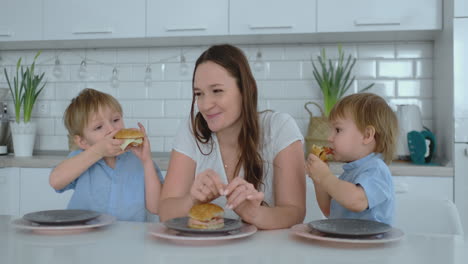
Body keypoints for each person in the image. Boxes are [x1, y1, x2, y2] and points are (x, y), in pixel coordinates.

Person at [158, 44, 306, 229]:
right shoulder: (191, 130)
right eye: (199, 93)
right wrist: (192, 199)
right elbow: (165, 212)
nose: (204, 105)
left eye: (217, 91)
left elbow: (295, 213)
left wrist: (254, 213)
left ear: (247, 89)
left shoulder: (279, 128)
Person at [49, 88, 163, 222]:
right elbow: (55, 181)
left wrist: (147, 161)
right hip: (86, 235)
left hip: (128, 237)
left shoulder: (139, 161)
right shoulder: (81, 159)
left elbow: (156, 207)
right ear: (82, 141)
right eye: (98, 127)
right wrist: (98, 151)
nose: (111, 129)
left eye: (115, 120)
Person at [306, 93, 398, 225]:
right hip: (349, 242)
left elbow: (356, 201)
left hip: (371, 244)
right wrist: (318, 179)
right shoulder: (350, 173)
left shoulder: (376, 169)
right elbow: (329, 211)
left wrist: (325, 176)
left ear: (367, 135)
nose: (329, 138)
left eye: (337, 130)